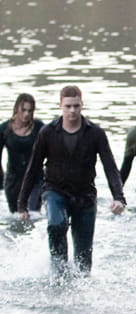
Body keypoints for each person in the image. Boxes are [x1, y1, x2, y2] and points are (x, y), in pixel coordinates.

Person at [18, 85, 125, 273]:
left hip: (85, 195)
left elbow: (110, 166)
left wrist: (118, 197)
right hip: (55, 191)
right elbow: (33, 168)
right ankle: (59, 272)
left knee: (84, 260)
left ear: (82, 104)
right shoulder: (47, 132)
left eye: (76, 106)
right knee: (56, 224)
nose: (72, 110)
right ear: (60, 105)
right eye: (68, 106)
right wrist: (22, 204)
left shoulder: (95, 133)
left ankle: (80, 288)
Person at [0, 94, 44, 213]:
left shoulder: (39, 127)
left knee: (32, 213)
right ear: (16, 109)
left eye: (30, 111)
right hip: (13, 180)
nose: (26, 114)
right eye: (23, 110)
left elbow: (50, 150)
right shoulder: (4, 129)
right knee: (16, 215)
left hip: (35, 178)